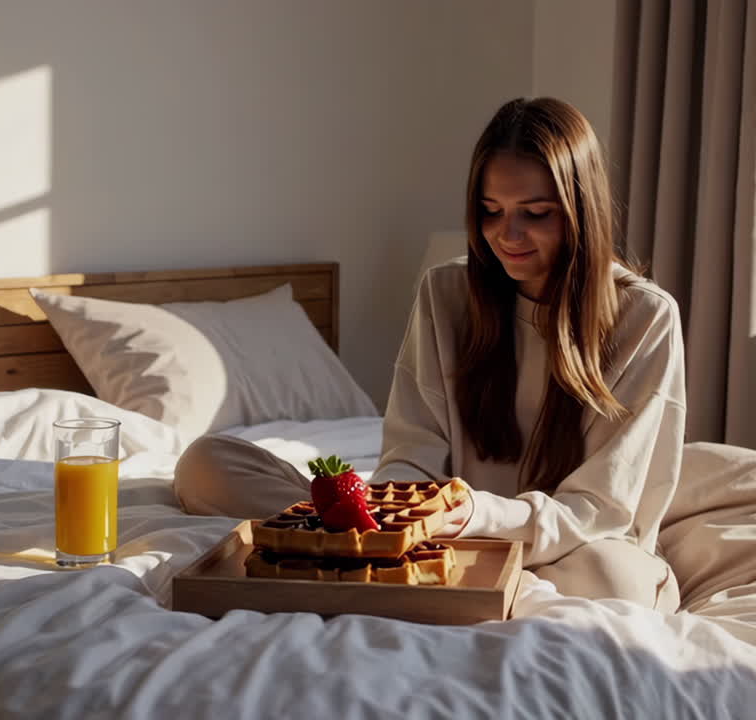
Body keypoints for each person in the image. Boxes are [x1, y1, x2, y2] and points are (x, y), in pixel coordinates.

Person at [174, 97, 684, 613]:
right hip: (438, 536)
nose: (507, 235)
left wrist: (476, 514)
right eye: (491, 211)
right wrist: (398, 523)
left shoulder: (644, 316)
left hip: (566, 543)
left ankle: (430, 585)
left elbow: (600, 507)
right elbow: (411, 450)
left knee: (613, 582)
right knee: (207, 463)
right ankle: (414, 578)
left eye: (535, 214)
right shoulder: (447, 292)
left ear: (581, 212)